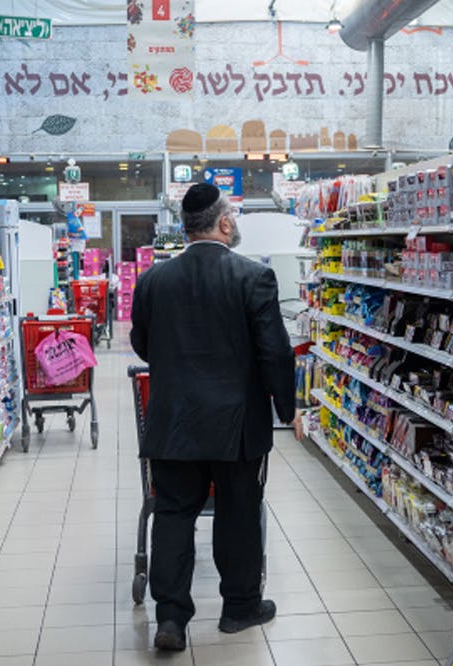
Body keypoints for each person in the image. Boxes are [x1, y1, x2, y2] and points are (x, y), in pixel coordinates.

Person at [130, 182, 297, 652]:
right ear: (224, 223)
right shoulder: (253, 278)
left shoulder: (153, 281)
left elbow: (143, 345)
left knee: (173, 514)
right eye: (234, 217)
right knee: (238, 512)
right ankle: (239, 607)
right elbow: (275, 354)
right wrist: (288, 408)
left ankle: (171, 618)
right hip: (237, 426)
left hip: (173, 422)